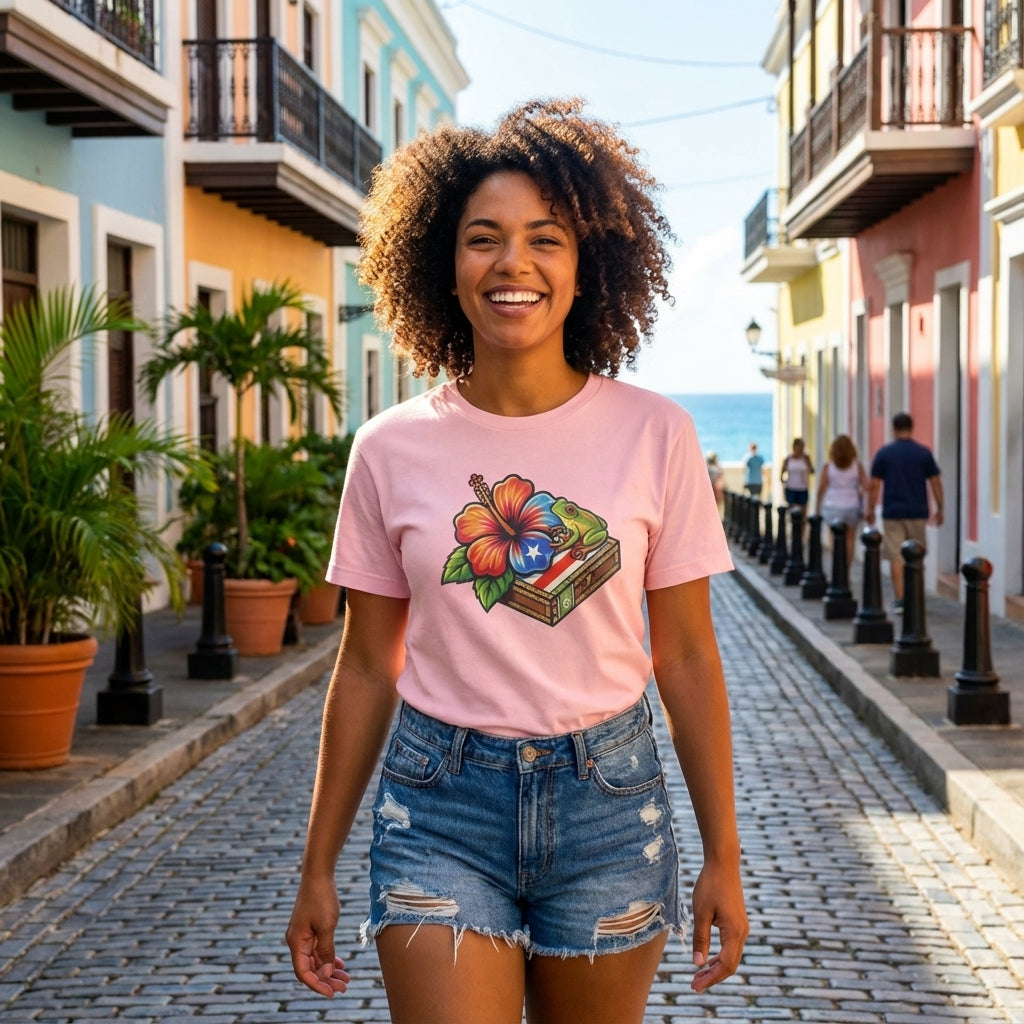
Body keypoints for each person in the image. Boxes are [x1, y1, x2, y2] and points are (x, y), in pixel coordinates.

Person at [285, 98, 748, 1024]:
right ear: (441, 266)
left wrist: (723, 856)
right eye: (482, 238)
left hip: (610, 806)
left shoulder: (658, 434)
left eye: (547, 239)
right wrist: (318, 865)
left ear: (586, 269)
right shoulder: (388, 448)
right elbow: (370, 662)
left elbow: (688, 656)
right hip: (438, 809)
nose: (514, 264)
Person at [865, 412, 943, 609]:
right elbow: (935, 482)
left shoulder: (884, 453)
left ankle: (901, 600)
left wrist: (870, 508)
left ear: (893, 428)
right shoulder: (924, 453)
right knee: (916, 555)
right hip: (918, 512)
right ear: (911, 428)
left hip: (893, 511)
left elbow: (874, 484)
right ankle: (915, 598)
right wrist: (941, 507)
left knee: (896, 556)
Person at [816, 434, 869, 567]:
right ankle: (847, 570)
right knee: (850, 540)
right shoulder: (857, 466)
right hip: (852, 506)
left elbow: (821, 489)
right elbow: (867, 486)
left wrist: (817, 509)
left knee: (834, 541)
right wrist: (860, 495)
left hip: (832, 507)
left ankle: (837, 569)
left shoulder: (828, 467)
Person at [780, 437, 814, 514]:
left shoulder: (805, 458)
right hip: (791, 488)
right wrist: (783, 481)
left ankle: (802, 526)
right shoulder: (788, 458)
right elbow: (782, 471)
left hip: (803, 488)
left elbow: (812, 471)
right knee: (792, 512)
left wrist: (808, 464)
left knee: (803, 512)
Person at [707, 451, 726, 517]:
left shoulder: (707, 468)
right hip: (716, 490)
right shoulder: (718, 469)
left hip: (709, 491)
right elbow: (721, 480)